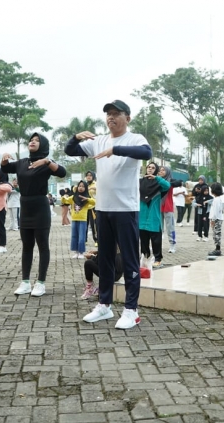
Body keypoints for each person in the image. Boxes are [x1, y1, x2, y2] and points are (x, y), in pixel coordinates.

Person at [65, 99, 152, 329]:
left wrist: (116, 149)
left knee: (131, 260)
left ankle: (131, 310)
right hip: (103, 210)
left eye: (116, 113)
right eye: (108, 114)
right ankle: (104, 305)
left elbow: (146, 152)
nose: (111, 118)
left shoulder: (135, 139)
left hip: (126, 210)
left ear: (127, 118)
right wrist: (75, 138)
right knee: (104, 259)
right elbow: (70, 150)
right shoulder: (99, 140)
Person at [1, 133, 67, 297]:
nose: (32, 141)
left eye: (37, 140)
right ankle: (25, 282)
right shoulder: (22, 162)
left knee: (42, 245)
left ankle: (41, 283)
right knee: (27, 246)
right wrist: (3, 160)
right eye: (31, 139)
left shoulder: (45, 164)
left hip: (40, 207)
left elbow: (62, 172)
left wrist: (46, 161)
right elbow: (5, 168)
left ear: (43, 145)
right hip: (25, 207)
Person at [139, 161, 170, 268]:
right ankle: (145, 257)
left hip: (153, 216)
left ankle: (158, 258)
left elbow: (167, 186)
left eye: (153, 168)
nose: (150, 169)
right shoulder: (140, 182)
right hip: (142, 216)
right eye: (149, 167)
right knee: (143, 240)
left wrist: (157, 178)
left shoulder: (159, 184)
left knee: (156, 240)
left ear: (155, 171)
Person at [69, 180, 96, 259]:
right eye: (79, 186)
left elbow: (94, 202)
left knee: (81, 237)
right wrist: (64, 197)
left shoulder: (87, 198)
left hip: (83, 220)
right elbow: (66, 200)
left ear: (86, 188)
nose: (81, 188)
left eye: (83, 186)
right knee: (74, 236)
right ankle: (76, 252)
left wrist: (87, 199)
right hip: (74, 219)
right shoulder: (73, 197)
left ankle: (81, 252)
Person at [158, 165, 180, 253]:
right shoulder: (157, 180)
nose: (161, 171)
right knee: (158, 227)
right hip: (158, 207)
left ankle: (172, 244)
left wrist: (168, 182)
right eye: (160, 170)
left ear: (167, 171)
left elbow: (180, 182)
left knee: (170, 227)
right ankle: (157, 245)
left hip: (168, 207)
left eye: (163, 170)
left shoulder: (170, 180)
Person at [207, 182, 224, 257]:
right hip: (217, 218)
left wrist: (213, 220)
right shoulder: (217, 199)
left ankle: (218, 249)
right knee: (216, 234)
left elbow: (216, 211)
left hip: (217, 219)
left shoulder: (217, 200)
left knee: (216, 234)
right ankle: (217, 248)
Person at [85, 171, 98, 245]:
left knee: (94, 225)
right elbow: (75, 190)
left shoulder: (96, 184)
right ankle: (84, 239)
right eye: (87, 175)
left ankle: (96, 240)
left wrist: (94, 188)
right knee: (84, 224)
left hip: (93, 207)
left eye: (90, 175)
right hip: (85, 207)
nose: (89, 176)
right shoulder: (84, 185)